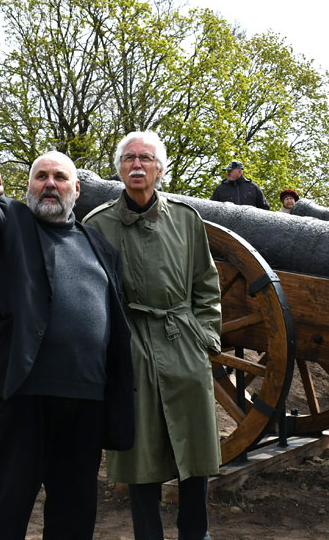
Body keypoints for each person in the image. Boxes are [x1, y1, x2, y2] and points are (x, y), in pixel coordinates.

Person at [0, 151, 135, 539]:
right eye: (41, 176)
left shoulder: (100, 247)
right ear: (28, 186)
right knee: (7, 508)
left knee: (75, 515)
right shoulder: (11, 224)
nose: (50, 184)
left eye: (59, 177)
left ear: (76, 189)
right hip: (22, 395)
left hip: (86, 401)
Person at [84, 131, 222, 540]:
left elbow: (206, 283)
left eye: (145, 158)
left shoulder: (185, 218)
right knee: (138, 452)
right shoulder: (97, 225)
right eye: (128, 158)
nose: (137, 165)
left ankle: (196, 534)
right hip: (130, 347)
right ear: (119, 168)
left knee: (194, 451)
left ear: (160, 169)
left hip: (183, 341)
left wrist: (206, 335)